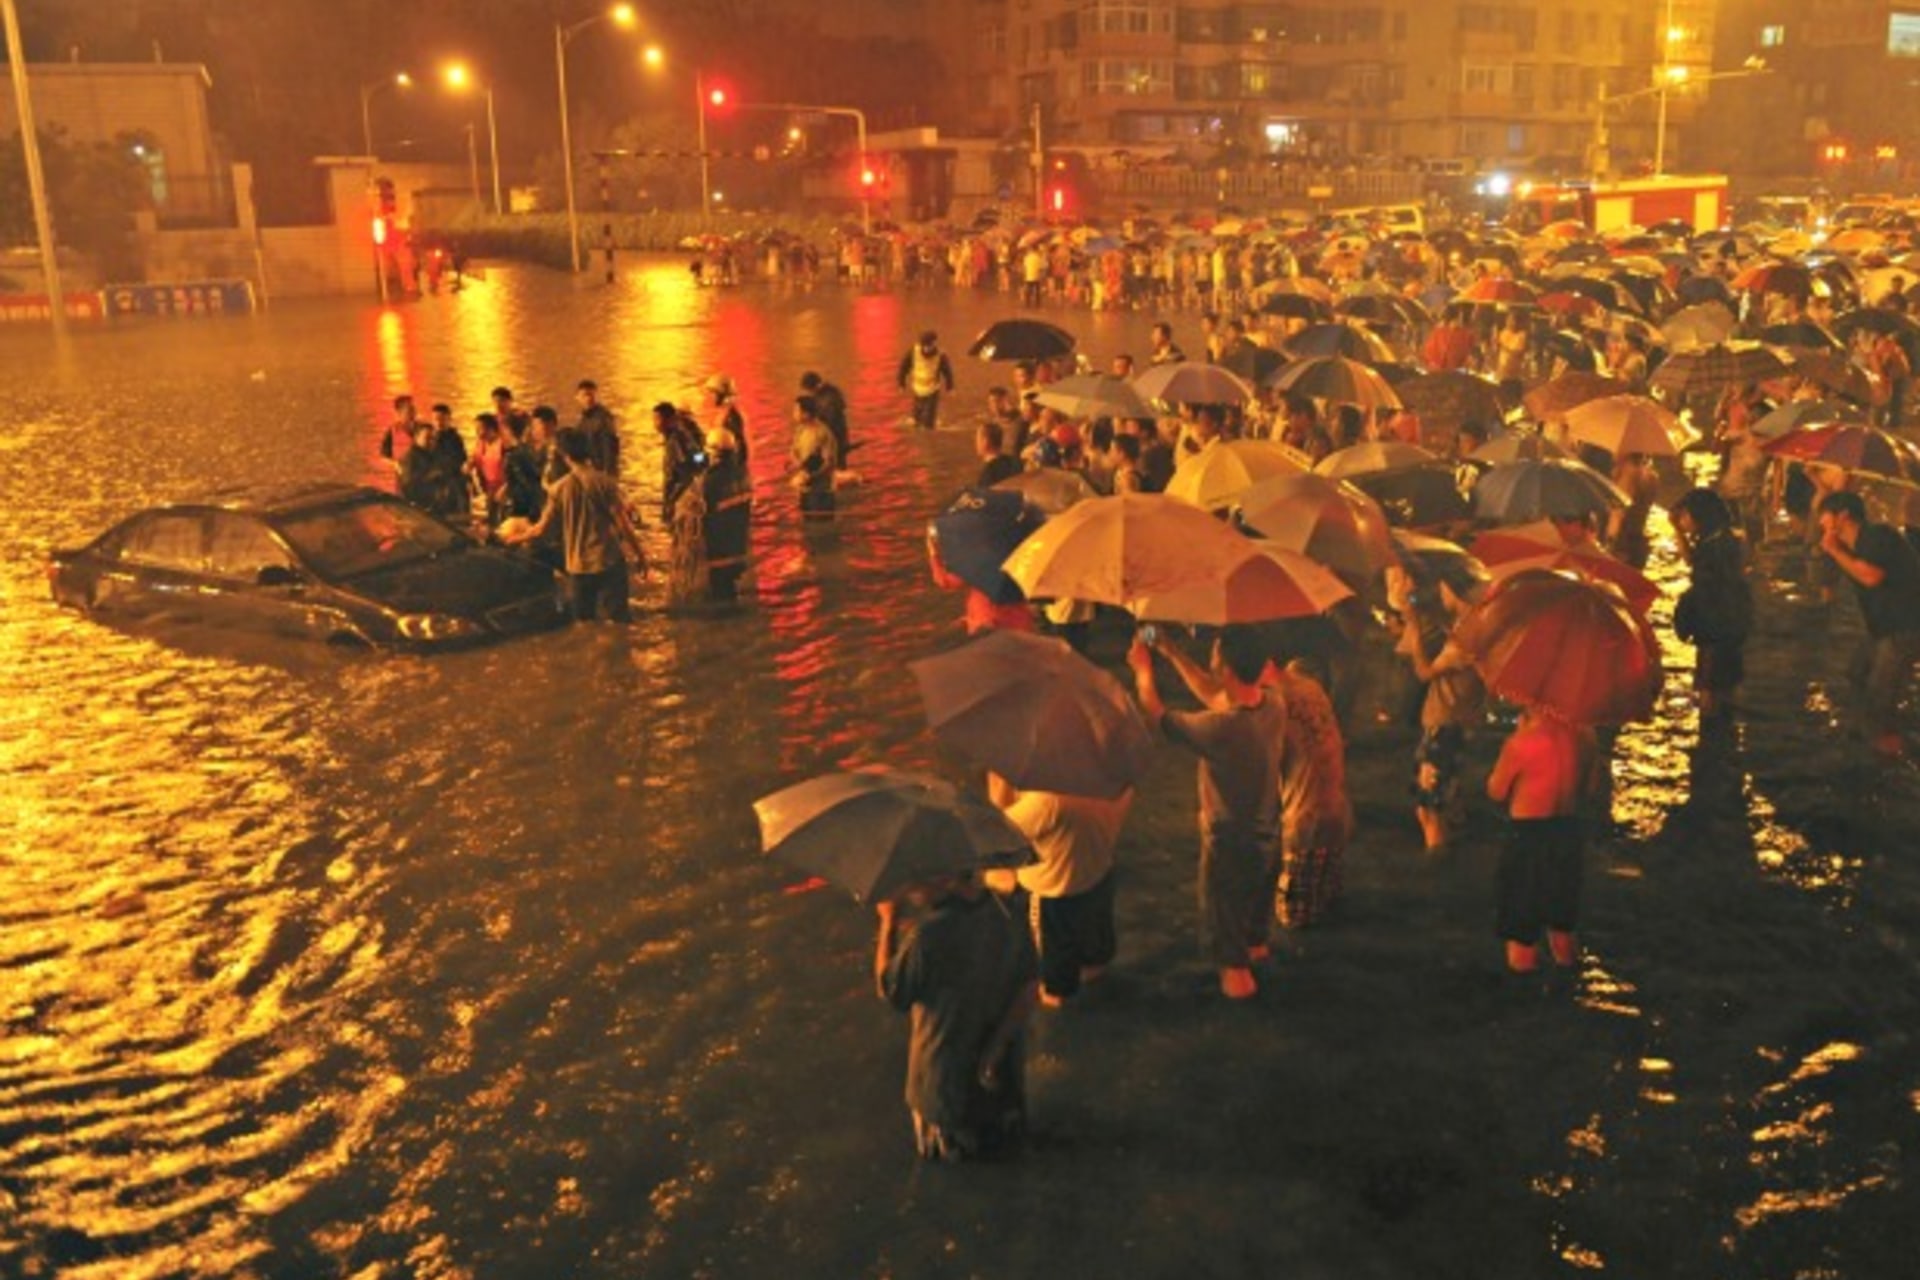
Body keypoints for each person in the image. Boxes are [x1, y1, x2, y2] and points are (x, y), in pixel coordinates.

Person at [1127, 625, 1287, 999]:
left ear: (1227, 668)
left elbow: (1157, 716)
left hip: (1230, 840)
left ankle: (1239, 988)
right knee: (1253, 923)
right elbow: (1216, 693)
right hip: (1267, 831)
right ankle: (1256, 954)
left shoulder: (1222, 729)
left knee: (1225, 923)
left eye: (1215, 655)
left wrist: (1142, 669)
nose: (1211, 658)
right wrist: (1170, 651)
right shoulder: (1272, 704)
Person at [875, 872, 1039, 1162]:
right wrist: (995, 1050)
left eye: (913, 880)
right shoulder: (1009, 909)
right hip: (1003, 1081)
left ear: (940, 877)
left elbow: (890, 991)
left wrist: (888, 922)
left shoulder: (928, 935)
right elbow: (1029, 987)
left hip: (946, 1089)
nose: (909, 890)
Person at [983, 773, 1132, 1007]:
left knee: (1055, 977)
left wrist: (999, 789)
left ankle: (1057, 1001)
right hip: (1097, 873)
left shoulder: (1047, 801)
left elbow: (999, 834)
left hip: (1054, 890)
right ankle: (1093, 973)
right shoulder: (1114, 776)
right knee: (1095, 952)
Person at [1486, 703, 1599, 975]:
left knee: (1522, 934)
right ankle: (1567, 995)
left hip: (1528, 838)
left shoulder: (1522, 743)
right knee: (1563, 928)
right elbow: (1591, 789)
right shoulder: (1586, 737)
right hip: (1568, 835)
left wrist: (1516, 739)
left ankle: (1526, 1001)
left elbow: (1496, 791)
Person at [500, 426, 644, 624]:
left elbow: (541, 529)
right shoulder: (605, 482)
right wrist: (640, 555)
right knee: (619, 623)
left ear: (564, 455)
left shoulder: (558, 489)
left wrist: (514, 538)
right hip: (609, 561)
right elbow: (623, 524)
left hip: (579, 567)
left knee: (585, 624)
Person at [1817, 490, 1920, 757]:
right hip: (1881, 627)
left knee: (1880, 695)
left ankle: (1891, 754)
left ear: (1843, 516)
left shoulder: (1879, 536)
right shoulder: (1855, 544)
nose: (1820, 523)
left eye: (1824, 516)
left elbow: (1871, 576)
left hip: (1904, 628)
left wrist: (1835, 550)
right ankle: (1866, 734)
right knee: (1857, 674)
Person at [1264, 658, 1352, 929]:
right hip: (1337, 816)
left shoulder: (1271, 702)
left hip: (1306, 826)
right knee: (1331, 919)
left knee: (1293, 921)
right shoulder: (1310, 688)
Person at [1672, 488, 1753, 721]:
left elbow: (1703, 578)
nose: (1683, 519)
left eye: (1685, 515)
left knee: (1709, 683)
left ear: (1699, 515)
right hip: (1733, 620)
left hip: (1715, 622)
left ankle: (1710, 734)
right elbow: (1693, 560)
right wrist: (1678, 530)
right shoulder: (1724, 539)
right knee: (1725, 680)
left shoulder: (1714, 548)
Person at [790, 393, 839, 521]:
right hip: (805, 490)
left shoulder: (823, 433)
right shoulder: (800, 431)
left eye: (796, 410)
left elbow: (829, 463)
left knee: (822, 527)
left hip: (822, 492)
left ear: (806, 413)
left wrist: (810, 476)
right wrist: (797, 466)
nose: (794, 414)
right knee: (808, 525)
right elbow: (794, 452)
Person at [1608, 452, 1659, 569]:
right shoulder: (1652, 476)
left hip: (1622, 543)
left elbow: (1619, 513)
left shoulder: (1628, 475)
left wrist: (1610, 540)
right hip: (1638, 539)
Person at [898, 330, 956, 431]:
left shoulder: (941, 355)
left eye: (929, 346)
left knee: (928, 424)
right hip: (918, 389)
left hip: (932, 391)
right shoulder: (913, 352)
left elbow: (947, 372)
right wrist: (901, 383)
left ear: (934, 344)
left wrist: (950, 388)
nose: (926, 349)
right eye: (924, 346)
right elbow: (904, 367)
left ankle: (929, 431)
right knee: (916, 421)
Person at [800, 371, 850, 465]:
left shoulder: (828, 398)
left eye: (809, 390)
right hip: (835, 437)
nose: (809, 393)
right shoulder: (830, 393)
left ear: (814, 386)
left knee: (836, 464)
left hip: (835, 438)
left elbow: (829, 420)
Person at [575, 379, 621, 478]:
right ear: (577, 397)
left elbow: (610, 447)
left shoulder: (604, 418)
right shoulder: (583, 419)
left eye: (592, 395)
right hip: (591, 471)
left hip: (602, 472)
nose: (588, 398)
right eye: (585, 395)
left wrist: (607, 473)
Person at [380, 394, 419, 477]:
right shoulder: (392, 431)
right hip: (402, 477)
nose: (414, 412)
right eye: (410, 409)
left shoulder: (423, 429)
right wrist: (395, 464)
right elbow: (384, 455)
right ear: (399, 412)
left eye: (414, 408)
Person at [975, 420, 1022, 488]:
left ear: (985, 442)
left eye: (978, 440)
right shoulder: (1015, 462)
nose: (976, 444)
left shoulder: (988, 474)